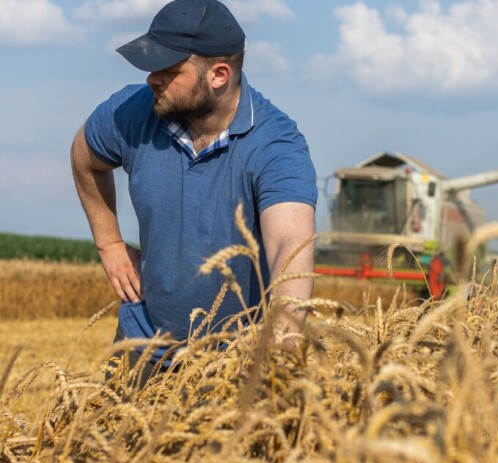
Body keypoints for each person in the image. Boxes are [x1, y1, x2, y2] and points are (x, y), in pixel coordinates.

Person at [70, 0, 317, 381]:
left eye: (167, 70)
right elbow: (84, 156)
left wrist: (283, 347)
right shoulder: (134, 112)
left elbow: (291, 243)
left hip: (230, 365)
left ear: (219, 74)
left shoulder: (276, 145)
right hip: (141, 346)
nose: (152, 78)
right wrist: (109, 243)